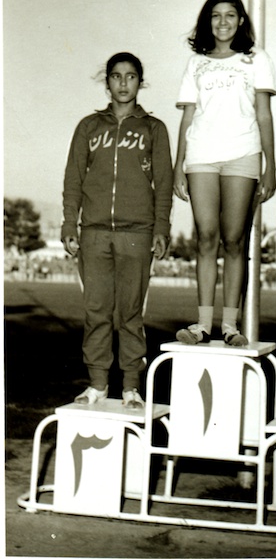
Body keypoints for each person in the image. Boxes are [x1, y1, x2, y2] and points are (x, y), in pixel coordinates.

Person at [61, 52, 173, 408]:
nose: (123, 83)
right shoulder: (89, 127)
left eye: (130, 76)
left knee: (130, 313)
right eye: (116, 76)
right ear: (106, 81)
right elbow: (73, 179)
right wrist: (68, 222)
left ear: (140, 82)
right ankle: (96, 384)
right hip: (93, 232)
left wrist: (161, 227)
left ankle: (130, 387)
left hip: (137, 233)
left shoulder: (154, 129)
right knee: (96, 311)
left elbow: (164, 183)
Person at [173, 0, 276, 346]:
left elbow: (264, 114)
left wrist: (270, 166)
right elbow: (187, 118)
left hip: (243, 153)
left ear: (241, 20)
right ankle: (202, 325)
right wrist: (178, 167)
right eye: (215, 15)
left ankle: (230, 326)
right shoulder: (195, 62)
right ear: (207, 21)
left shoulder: (256, 59)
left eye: (230, 15)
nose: (222, 22)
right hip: (201, 155)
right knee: (205, 237)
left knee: (235, 240)